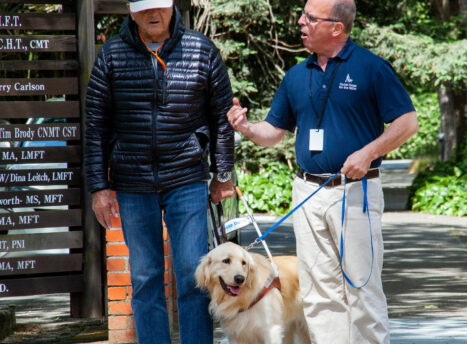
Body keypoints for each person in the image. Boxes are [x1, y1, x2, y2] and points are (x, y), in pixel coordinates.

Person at [227, 0, 418, 342]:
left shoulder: (371, 68)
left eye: (310, 18)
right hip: (307, 192)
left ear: (336, 28)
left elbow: (407, 122)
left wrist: (368, 152)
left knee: (361, 288)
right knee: (318, 292)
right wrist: (247, 128)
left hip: (355, 192)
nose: (300, 22)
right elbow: (274, 131)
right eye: (303, 15)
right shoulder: (297, 75)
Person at [85, 0, 234, 343]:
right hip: (132, 183)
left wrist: (222, 173)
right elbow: (96, 126)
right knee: (146, 277)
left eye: (160, 6)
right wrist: (99, 187)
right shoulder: (111, 54)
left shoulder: (201, 49)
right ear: (130, 10)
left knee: (193, 275)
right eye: (145, 8)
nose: (154, 14)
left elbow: (223, 118)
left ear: (171, 5)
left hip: (186, 179)